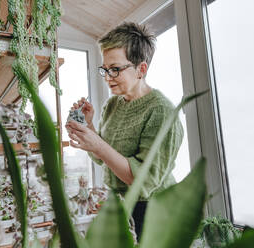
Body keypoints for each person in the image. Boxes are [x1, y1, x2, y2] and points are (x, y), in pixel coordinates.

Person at [65, 22, 183, 240]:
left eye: (115, 69)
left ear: (141, 69)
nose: (108, 77)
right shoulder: (113, 105)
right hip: (121, 206)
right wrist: (88, 127)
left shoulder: (161, 112)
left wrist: (97, 144)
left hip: (155, 211)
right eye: (105, 69)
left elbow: (143, 181)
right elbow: (103, 159)